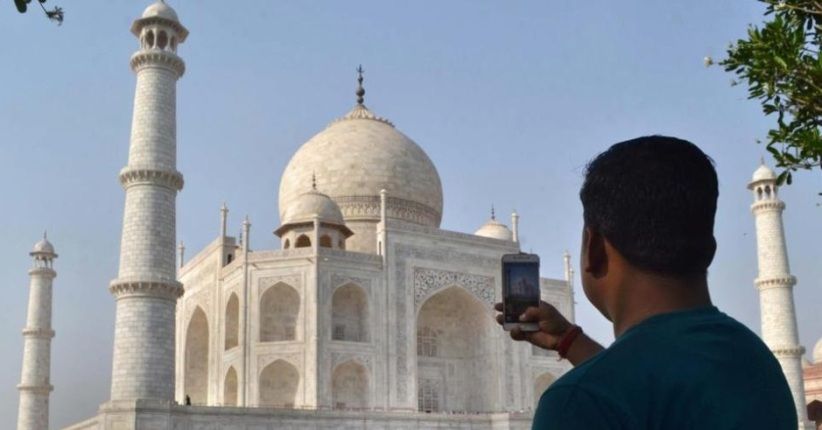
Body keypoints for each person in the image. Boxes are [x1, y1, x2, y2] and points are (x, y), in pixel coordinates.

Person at [496, 136, 797, 429]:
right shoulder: (757, 362)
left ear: (595, 250)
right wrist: (570, 341)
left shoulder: (575, 403)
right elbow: (661, 389)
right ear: (710, 249)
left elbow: (632, 392)